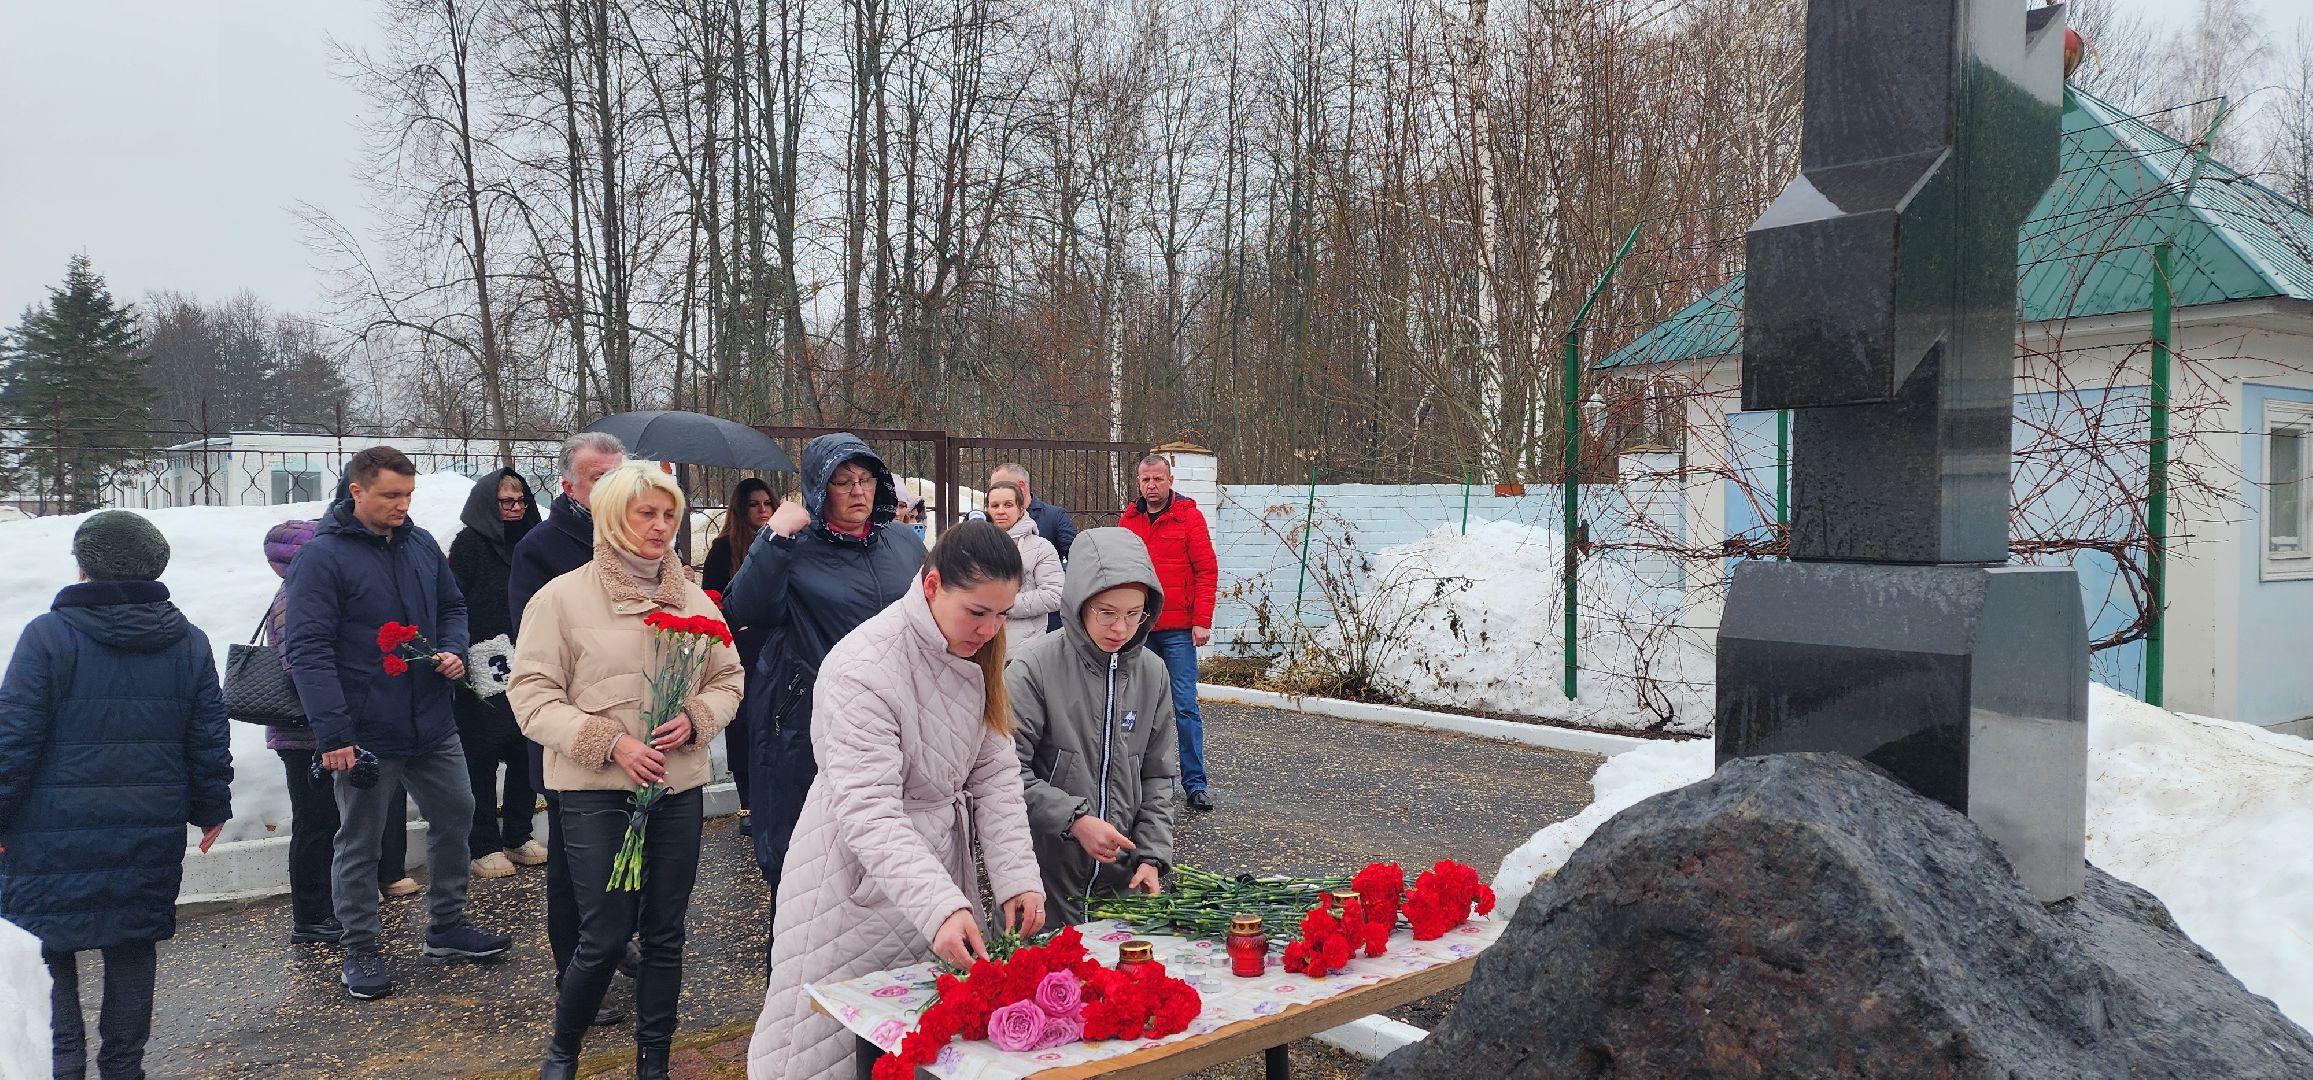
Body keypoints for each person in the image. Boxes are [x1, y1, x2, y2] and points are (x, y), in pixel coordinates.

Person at [745, 521, 1044, 1080]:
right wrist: (941, 905)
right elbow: (869, 810)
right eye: (977, 612)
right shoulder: (863, 668)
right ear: (932, 586)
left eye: (1003, 614)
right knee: (824, 1047)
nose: (991, 628)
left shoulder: (977, 649)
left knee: (928, 1042)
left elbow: (996, 775)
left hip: (933, 873)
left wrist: (1016, 877)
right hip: (852, 882)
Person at [512, 465, 744, 1080]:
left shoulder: (693, 600)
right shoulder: (561, 598)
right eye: (646, 514)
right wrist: (607, 741)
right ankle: (564, 1051)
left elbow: (728, 679)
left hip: (675, 786)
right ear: (614, 516)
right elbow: (531, 694)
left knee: (666, 934)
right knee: (607, 935)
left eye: (668, 515)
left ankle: (654, 1063)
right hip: (595, 791)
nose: (660, 526)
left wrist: (696, 717)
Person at [0, 510, 233, 1080]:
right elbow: (206, 735)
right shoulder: (187, 641)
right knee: (132, 944)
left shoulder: (48, 637)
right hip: (148, 823)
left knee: (49, 946)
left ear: (84, 567)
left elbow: (14, 737)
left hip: (48, 828)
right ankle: (124, 1068)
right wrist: (210, 806)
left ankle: (65, 1066)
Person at [283, 445, 512, 1002]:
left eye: (408, 495)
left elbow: (451, 607)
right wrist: (334, 736)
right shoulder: (323, 557)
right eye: (390, 495)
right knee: (359, 840)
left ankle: (447, 926)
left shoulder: (421, 543)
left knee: (458, 814)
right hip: (364, 729)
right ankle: (360, 948)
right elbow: (308, 649)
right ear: (356, 491)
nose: (401, 506)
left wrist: (455, 651)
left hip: (431, 719)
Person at [723, 433, 926, 909]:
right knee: (807, 868)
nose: (859, 491)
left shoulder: (901, 541)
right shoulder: (795, 543)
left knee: (887, 856)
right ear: (819, 488)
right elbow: (743, 608)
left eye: (866, 479)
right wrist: (774, 537)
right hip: (808, 718)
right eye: (842, 482)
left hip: (894, 715)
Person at [508, 432, 636, 1026]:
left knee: (630, 854)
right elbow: (536, 652)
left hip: (638, 733)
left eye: (618, 475)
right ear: (569, 487)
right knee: (573, 866)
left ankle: (613, 944)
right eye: (597, 478)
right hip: (576, 738)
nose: (610, 487)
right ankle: (576, 973)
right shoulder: (542, 547)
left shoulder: (640, 537)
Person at [1009, 528, 1178, 928]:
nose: (1120, 628)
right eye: (1107, 612)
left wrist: (1152, 856)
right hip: (1043, 883)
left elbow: (1158, 775)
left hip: (1122, 892)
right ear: (1078, 602)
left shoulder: (1153, 673)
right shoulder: (1034, 666)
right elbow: (1004, 774)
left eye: (1134, 614)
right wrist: (1074, 820)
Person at [262, 519, 410, 946]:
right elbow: (300, 666)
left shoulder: (311, 593)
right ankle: (310, 916)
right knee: (317, 822)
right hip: (305, 733)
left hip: (328, 727)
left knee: (334, 821)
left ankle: (329, 907)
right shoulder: (294, 598)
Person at [448, 469, 545, 881]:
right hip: (483, 663)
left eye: (521, 500)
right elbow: (453, 599)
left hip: (532, 657)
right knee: (482, 757)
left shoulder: (534, 542)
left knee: (528, 750)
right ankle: (483, 843)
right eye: (507, 502)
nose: (516, 508)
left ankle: (518, 834)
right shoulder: (469, 545)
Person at [1119, 453, 1219, 813]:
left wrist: (1201, 620)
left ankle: (1195, 784)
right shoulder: (1128, 520)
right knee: (1138, 707)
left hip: (1177, 630)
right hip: (1139, 629)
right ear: (1139, 482)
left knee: (1185, 707)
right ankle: (1139, 782)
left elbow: (1207, 570)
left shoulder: (1188, 517)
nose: (1151, 486)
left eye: (1157, 480)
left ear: (1170, 480)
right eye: (1145, 480)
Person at [701, 476, 776, 828]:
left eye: (767, 503)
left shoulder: (783, 543)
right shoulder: (725, 547)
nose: (762, 510)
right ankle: (747, 804)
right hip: (740, 646)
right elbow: (713, 600)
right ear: (740, 509)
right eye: (754, 504)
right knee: (743, 723)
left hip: (776, 643)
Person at [984, 480, 1063, 649]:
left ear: (1021, 509)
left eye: (1008, 505)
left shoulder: (1041, 547)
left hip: (1025, 649)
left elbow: (1054, 594)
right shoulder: (973, 543)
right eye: (995, 505)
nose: (1001, 511)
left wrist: (1003, 604)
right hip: (982, 645)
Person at [990, 462, 1077, 560]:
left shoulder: (1055, 517)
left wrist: (1056, 572)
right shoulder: (986, 518)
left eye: (1002, 486)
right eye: (993, 488)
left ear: (1021, 486)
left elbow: (1075, 557)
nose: (995, 492)